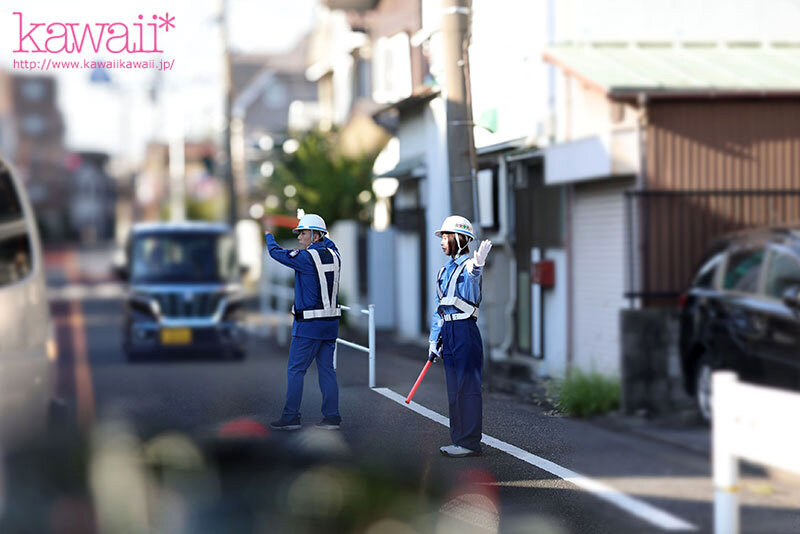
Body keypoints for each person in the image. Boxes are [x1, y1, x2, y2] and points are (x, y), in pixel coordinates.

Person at [264, 214, 342, 431]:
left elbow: (275, 252)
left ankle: (291, 417)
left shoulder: (305, 258)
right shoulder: (335, 254)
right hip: (330, 325)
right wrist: (310, 224)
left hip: (308, 326)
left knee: (296, 370)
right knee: (327, 370)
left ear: (315, 236)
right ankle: (332, 417)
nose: (299, 237)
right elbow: (327, 241)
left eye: (303, 233)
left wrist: (269, 233)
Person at [429, 216, 492, 457]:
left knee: (468, 388)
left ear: (460, 239)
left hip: (465, 331)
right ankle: (459, 441)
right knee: (454, 389)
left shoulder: (469, 267)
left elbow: (472, 284)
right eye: (442, 237)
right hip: (448, 331)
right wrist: (434, 339)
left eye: (446, 237)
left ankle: (470, 443)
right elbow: (439, 307)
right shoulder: (443, 271)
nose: (442, 241)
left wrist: (478, 266)